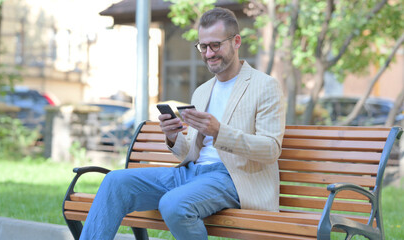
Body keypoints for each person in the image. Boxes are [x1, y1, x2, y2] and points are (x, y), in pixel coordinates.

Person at [80, 7, 285, 240]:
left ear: (236, 41)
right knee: (115, 181)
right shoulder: (202, 91)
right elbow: (190, 152)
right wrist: (173, 137)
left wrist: (219, 132)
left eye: (215, 45)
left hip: (234, 178)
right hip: (191, 174)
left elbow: (271, 149)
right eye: (203, 46)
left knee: (174, 204)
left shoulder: (264, 86)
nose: (208, 53)